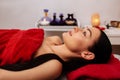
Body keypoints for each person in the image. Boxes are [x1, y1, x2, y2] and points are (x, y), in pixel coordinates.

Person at [0, 27, 112, 80]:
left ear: (87, 54)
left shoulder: (54, 66)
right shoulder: (55, 40)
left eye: (84, 33)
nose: (76, 28)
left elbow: (8, 77)